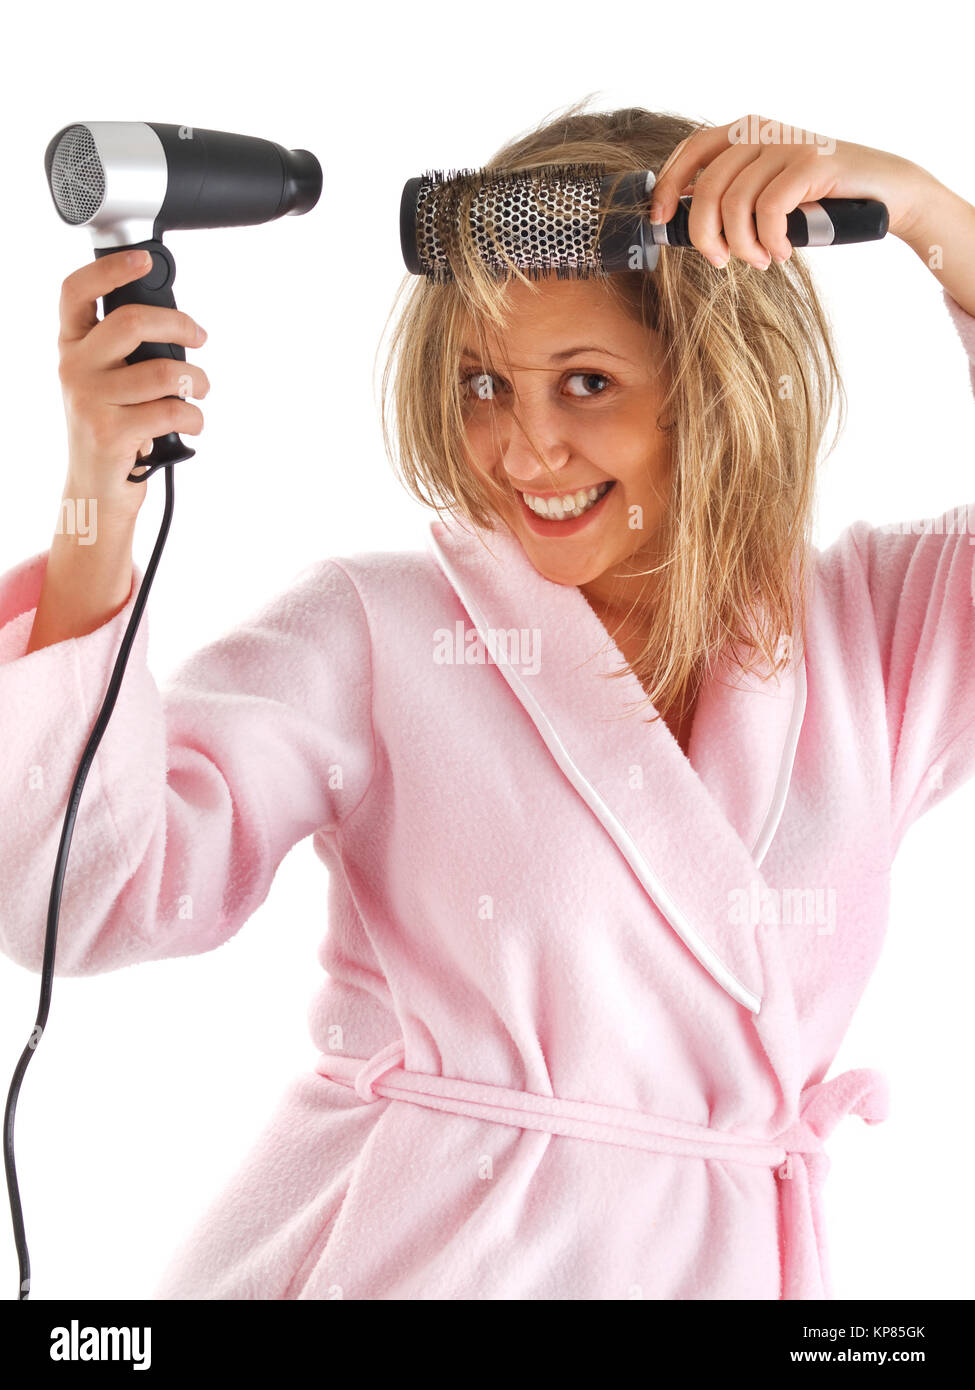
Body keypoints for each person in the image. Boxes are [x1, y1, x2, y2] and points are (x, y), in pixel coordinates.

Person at [1, 101, 974, 1300]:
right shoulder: (378, 633)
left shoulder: (874, 638)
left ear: (722, 386)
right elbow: (87, 902)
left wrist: (934, 212)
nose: (523, 451)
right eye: (483, 383)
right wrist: (100, 499)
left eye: (585, 381)